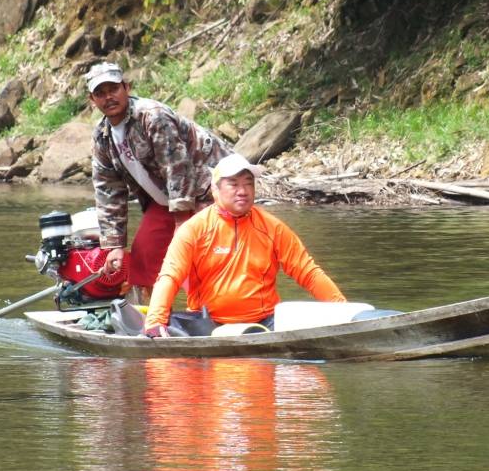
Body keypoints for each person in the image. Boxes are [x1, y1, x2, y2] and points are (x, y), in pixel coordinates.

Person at [143, 153, 347, 336]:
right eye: (233, 184)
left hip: (265, 324)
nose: (243, 191)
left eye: (249, 183)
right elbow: (170, 276)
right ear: (215, 189)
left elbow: (308, 272)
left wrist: (342, 309)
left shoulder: (272, 227)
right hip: (207, 325)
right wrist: (155, 321)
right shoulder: (194, 229)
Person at [86, 61, 231, 303]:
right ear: (92, 100)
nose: (108, 97)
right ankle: (150, 319)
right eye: (100, 93)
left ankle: (214, 314)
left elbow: (177, 167)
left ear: (126, 87)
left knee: (197, 257)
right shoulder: (103, 137)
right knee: (144, 256)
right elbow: (108, 191)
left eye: (113, 89)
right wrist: (114, 246)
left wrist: (181, 223)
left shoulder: (152, 116)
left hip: (209, 190)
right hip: (165, 200)